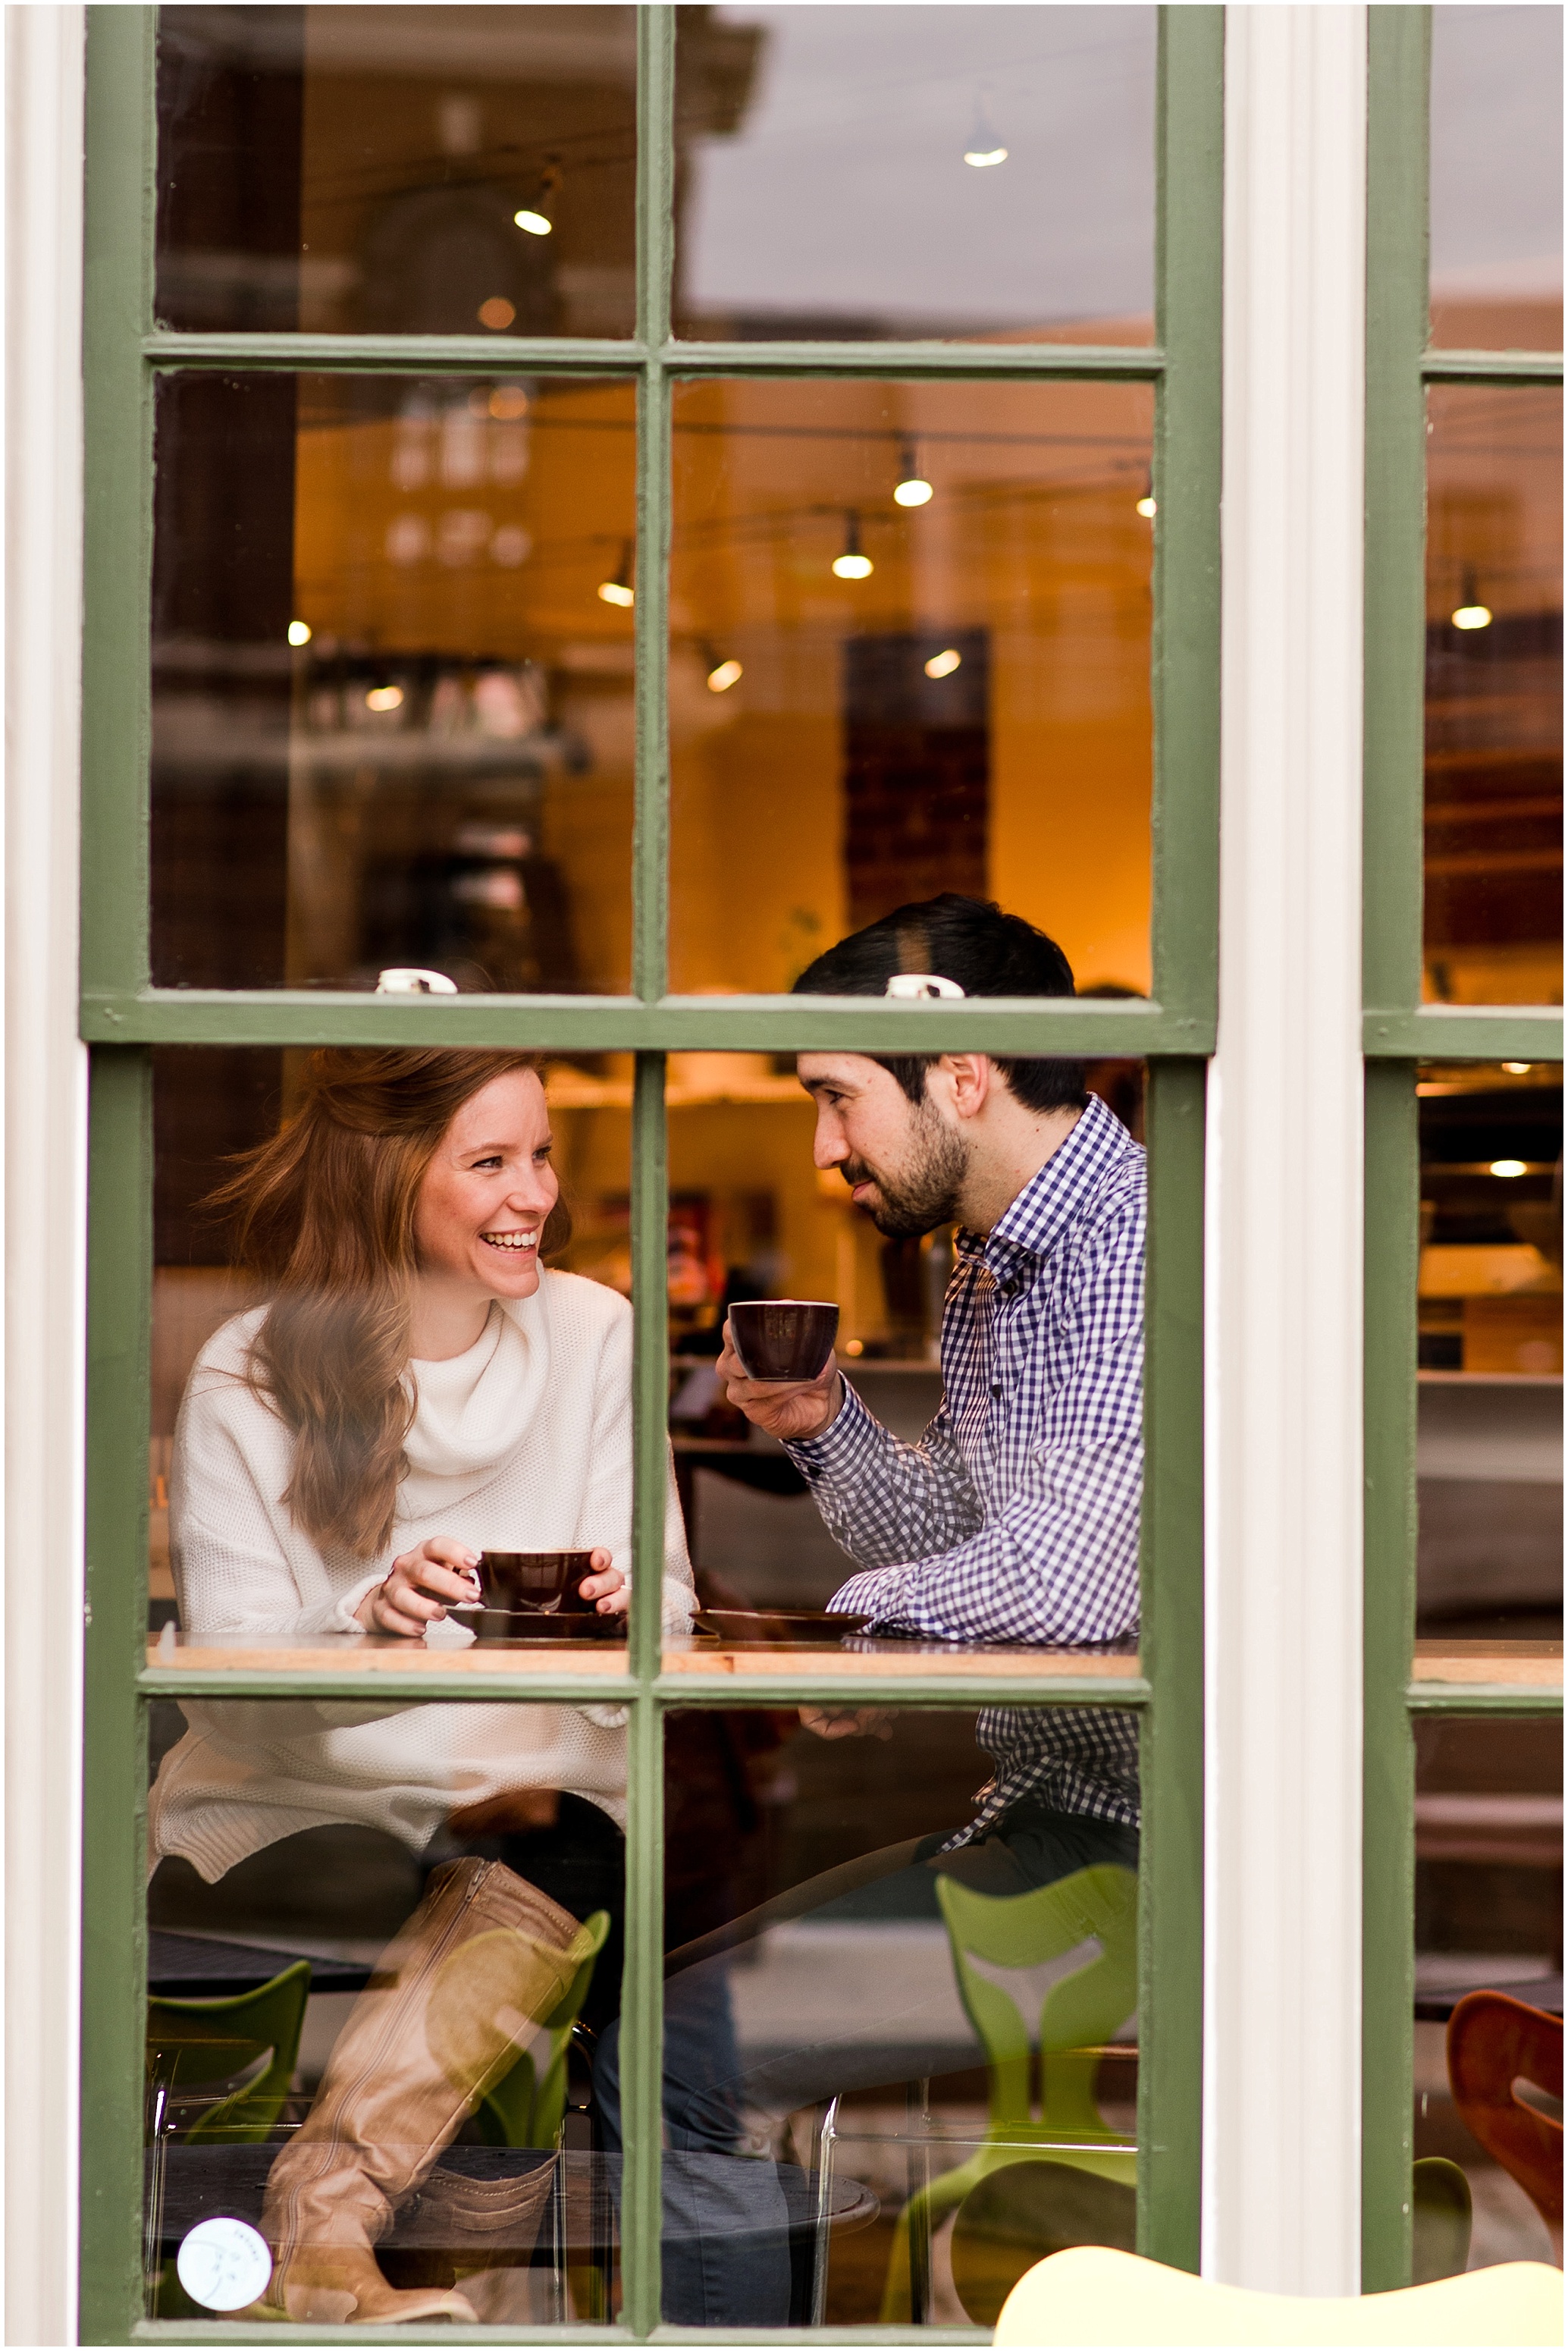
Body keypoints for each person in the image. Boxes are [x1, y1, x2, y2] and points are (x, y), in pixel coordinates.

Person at [593, 894, 1144, 2326]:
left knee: (673, 2059)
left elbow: (1066, 1584)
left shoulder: (1132, 1252)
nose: (824, 1150)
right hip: (1053, 1821)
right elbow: (982, 1541)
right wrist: (823, 1423)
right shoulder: (997, 1262)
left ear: (961, 1075)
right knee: (656, 2021)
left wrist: (854, 1628)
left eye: (838, 1099)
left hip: (1166, 1865)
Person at [148, 1047, 695, 2324]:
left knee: (571, 1853)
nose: (537, 1194)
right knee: (555, 1886)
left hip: (525, 1812)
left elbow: (664, 1612)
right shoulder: (249, 1374)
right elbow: (230, 1699)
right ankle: (335, 2242)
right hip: (296, 1813)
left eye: (544, 1155)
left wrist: (625, 1620)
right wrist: (367, 1631)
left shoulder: (595, 1333)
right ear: (393, 1184)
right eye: (492, 1162)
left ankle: (320, 2229)